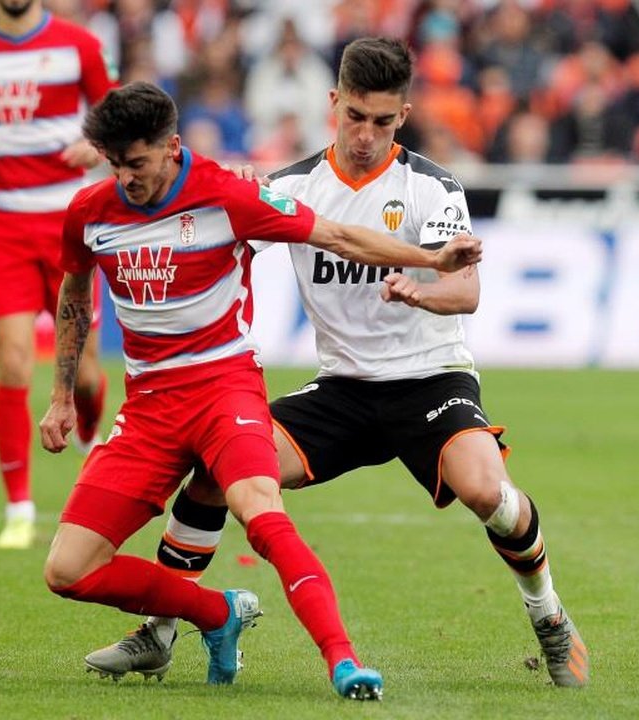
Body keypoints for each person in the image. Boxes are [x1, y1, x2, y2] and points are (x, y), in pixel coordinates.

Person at [86, 38, 590, 690]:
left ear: (403, 115)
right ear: (334, 103)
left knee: (489, 493)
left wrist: (423, 291)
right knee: (214, 469)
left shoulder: (431, 188)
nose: (365, 134)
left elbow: (465, 292)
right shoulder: (295, 185)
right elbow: (213, 211)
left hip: (429, 378)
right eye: (355, 116)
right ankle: (158, 630)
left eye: (382, 121)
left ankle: (547, 613)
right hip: (344, 390)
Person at [38, 81, 481, 701]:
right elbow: (74, 297)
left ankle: (344, 663)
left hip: (225, 393)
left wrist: (431, 261)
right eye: (114, 164)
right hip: (148, 408)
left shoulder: (227, 195)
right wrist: (62, 396)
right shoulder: (91, 211)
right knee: (66, 570)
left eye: (136, 164)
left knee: (261, 515)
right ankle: (217, 614)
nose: (125, 178)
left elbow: (339, 236)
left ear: (171, 148)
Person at [0, 0, 115, 549]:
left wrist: (95, 146)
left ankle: (88, 434)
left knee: (84, 375)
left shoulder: (77, 45)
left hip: (69, 223)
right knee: (12, 361)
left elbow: (113, 121)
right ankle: (19, 508)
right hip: (0, 226)